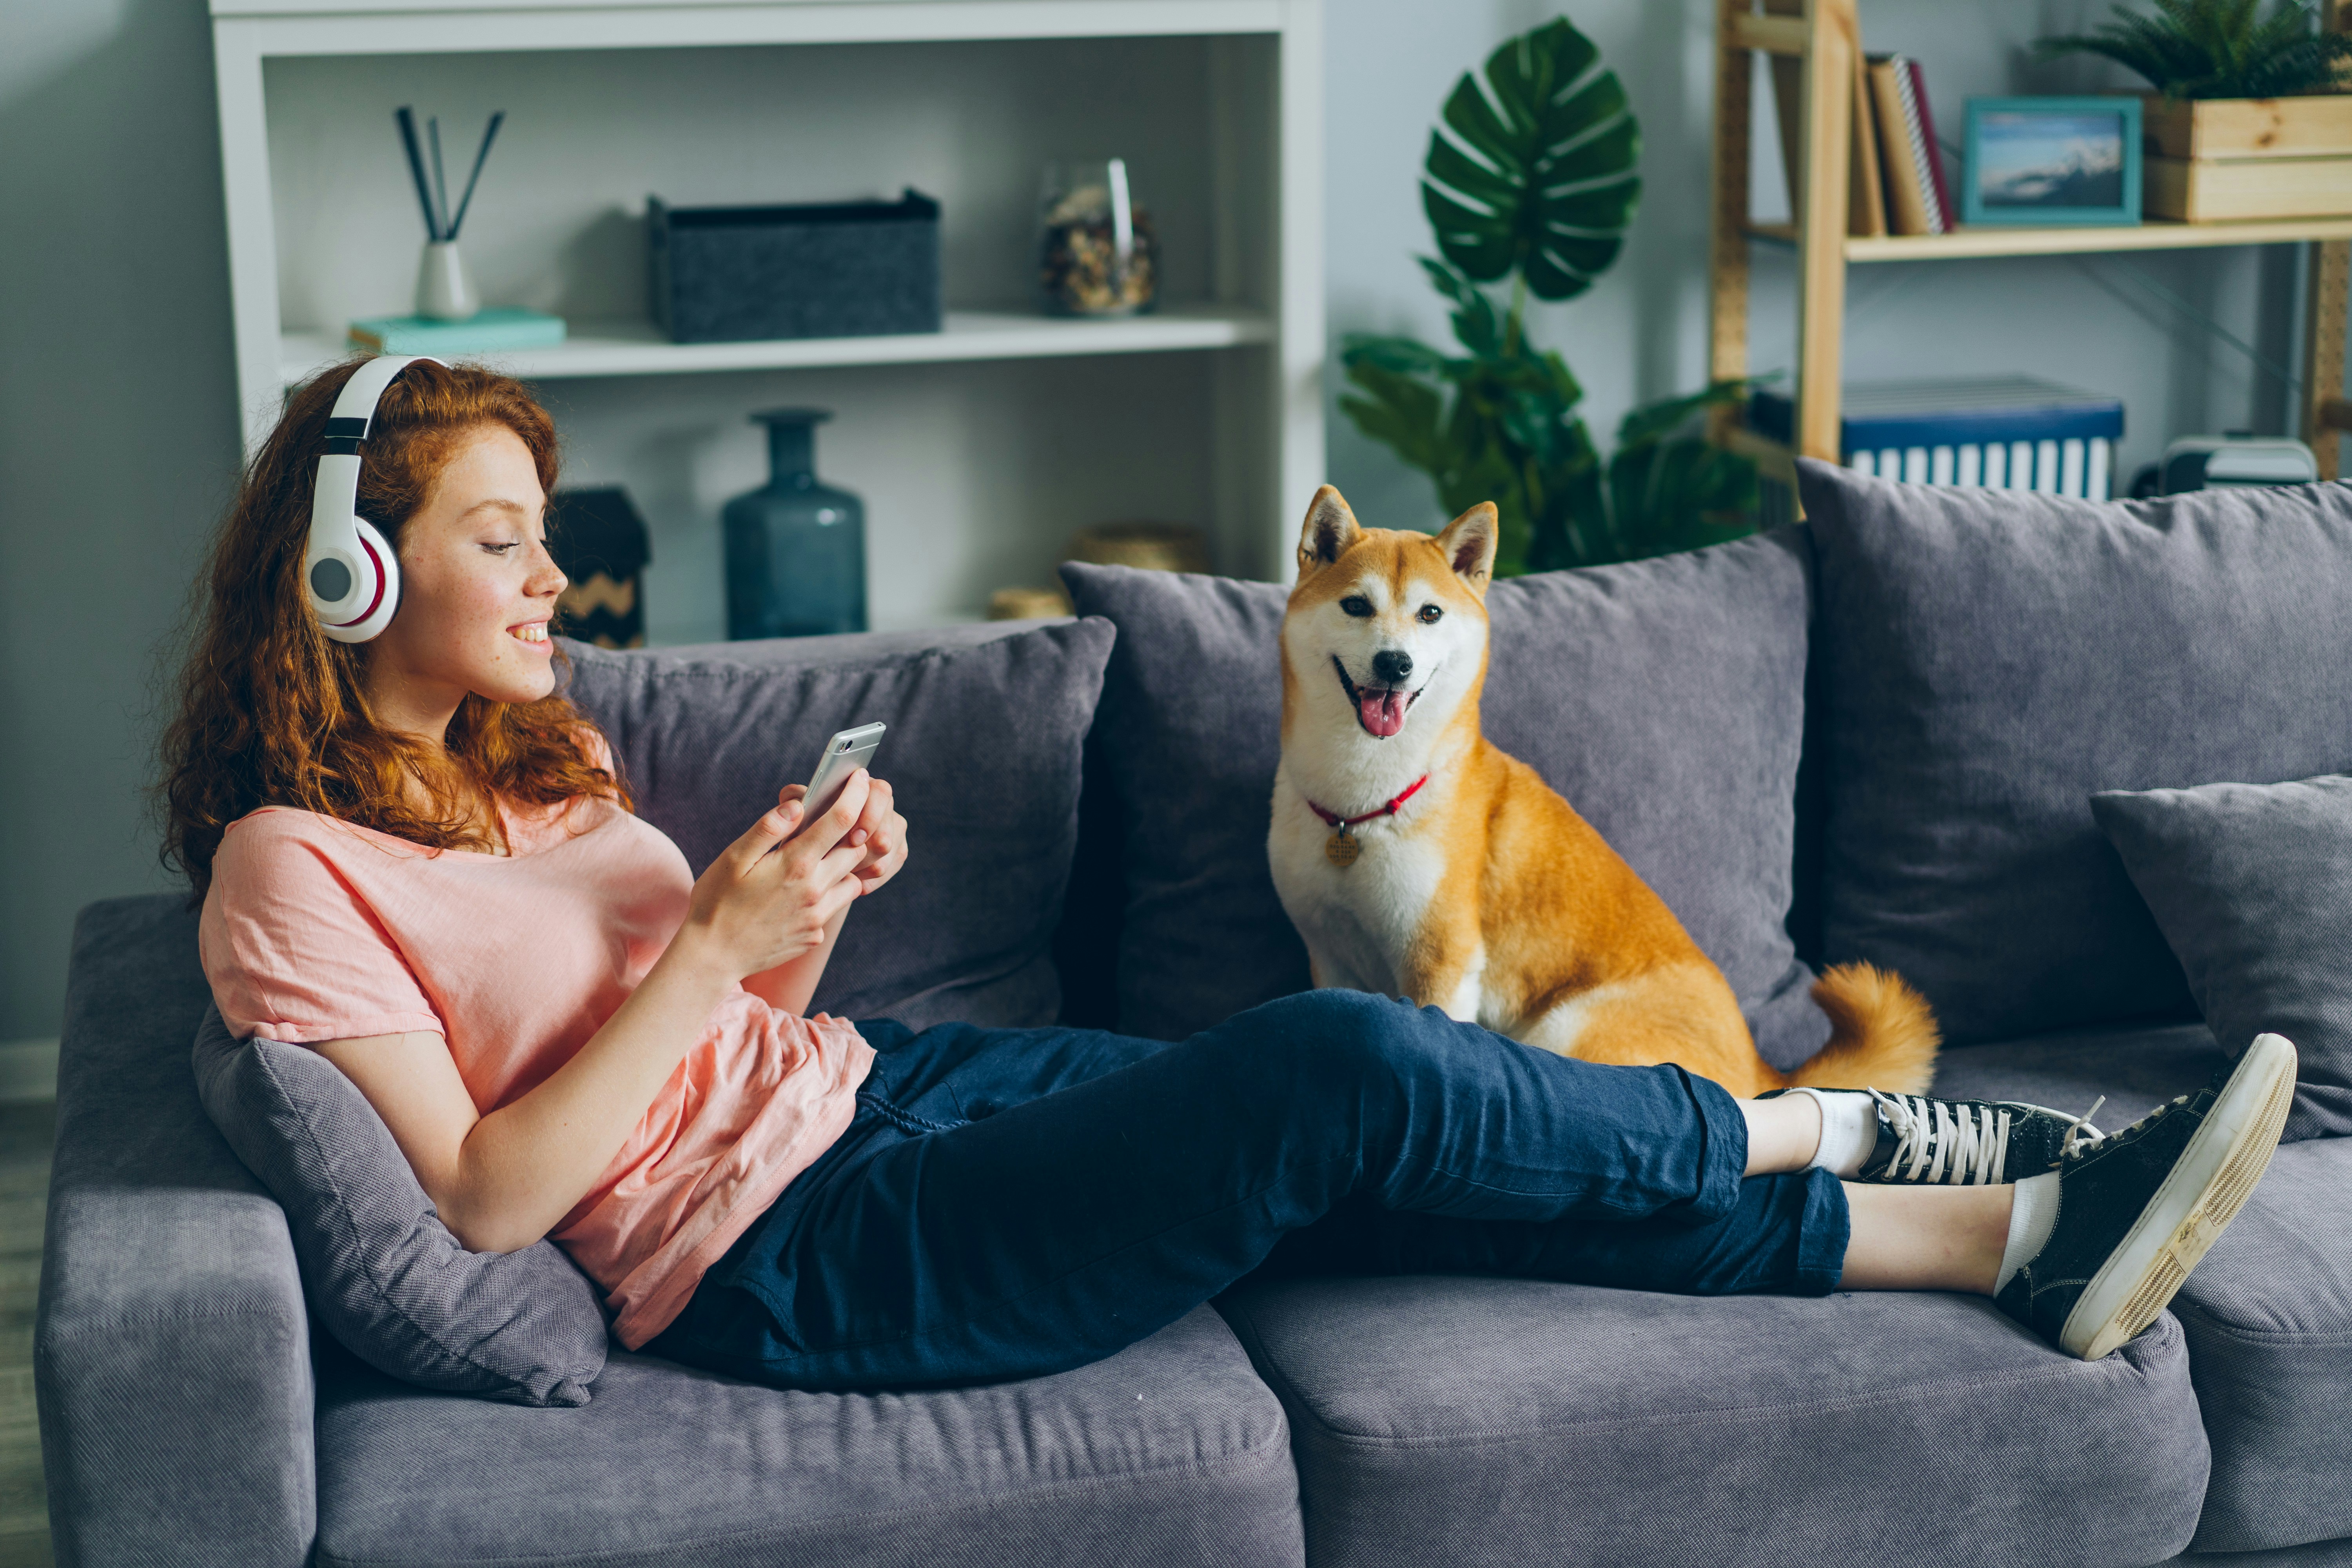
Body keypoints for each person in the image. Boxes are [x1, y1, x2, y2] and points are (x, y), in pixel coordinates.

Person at [163, 359, 2294, 1392]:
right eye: (500, 537)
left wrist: (778, 933)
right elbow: (487, 1197)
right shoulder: (287, 864)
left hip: (866, 1094)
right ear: (348, 572)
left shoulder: (545, 762)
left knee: (1372, 1154)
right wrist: (704, 943)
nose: (553, 574)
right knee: (1333, 1073)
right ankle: (1893, 1147)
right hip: (785, 1262)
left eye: (545, 529)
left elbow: (728, 1036)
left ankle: (1996, 1234)